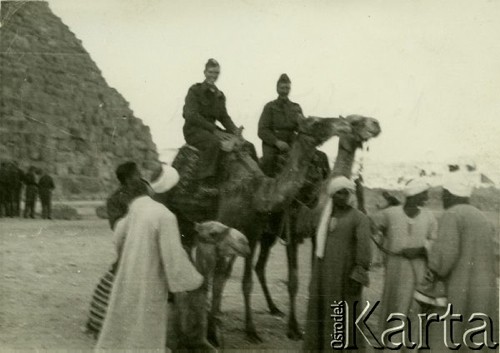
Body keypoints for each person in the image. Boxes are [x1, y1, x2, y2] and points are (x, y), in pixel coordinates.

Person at [95, 165, 202, 351]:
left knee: (128, 310)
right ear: (171, 188)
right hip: (151, 273)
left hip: (130, 267)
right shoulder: (166, 215)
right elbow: (173, 258)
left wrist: (126, 255)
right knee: (148, 318)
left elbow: (118, 235)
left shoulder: (137, 206)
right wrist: (195, 279)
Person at [426, 176, 498, 350]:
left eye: (444, 194)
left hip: (459, 286)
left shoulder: (452, 214)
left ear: (452, 194)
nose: (442, 199)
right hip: (484, 287)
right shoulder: (481, 216)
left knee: (451, 332)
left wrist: (432, 265)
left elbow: (445, 258)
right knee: (477, 334)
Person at [303, 176, 372, 352]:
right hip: (324, 275)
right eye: (338, 193)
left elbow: (364, 250)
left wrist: (358, 275)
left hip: (345, 276)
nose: (342, 196)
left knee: (345, 314)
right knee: (324, 311)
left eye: (345, 193)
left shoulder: (359, 218)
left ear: (350, 194)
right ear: (332, 195)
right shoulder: (324, 217)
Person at [370, 179, 437, 350]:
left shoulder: (429, 217)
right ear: (414, 195)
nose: (427, 197)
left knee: (413, 311)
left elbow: (435, 243)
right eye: (424, 194)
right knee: (393, 307)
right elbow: (371, 227)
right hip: (395, 274)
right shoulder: (390, 214)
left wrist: (421, 250)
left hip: (418, 275)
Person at [182, 58, 240, 184]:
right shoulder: (194, 91)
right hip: (193, 130)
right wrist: (214, 130)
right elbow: (191, 115)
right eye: (211, 72)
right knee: (213, 143)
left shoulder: (219, 95)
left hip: (210, 130)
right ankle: (204, 181)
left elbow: (224, 117)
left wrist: (235, 131)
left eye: (216, 73)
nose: (213, 76)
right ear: (205, 72)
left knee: (242, 144)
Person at [258, 73, 303, 177]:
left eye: (287, 88)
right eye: (282, 88)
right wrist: (277, 142)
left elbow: (302, 129)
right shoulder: (269, 107)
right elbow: (262, 130)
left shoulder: (296, 108)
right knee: (269, 161)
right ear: (277, 88)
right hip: (272, 143)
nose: (284, 91)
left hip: (291, 141)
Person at [106, 162, 144, 230]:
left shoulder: (145, 191)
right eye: (137, 174)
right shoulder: (114, 200)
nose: (141, 175)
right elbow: (116, 226)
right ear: (128, 179)